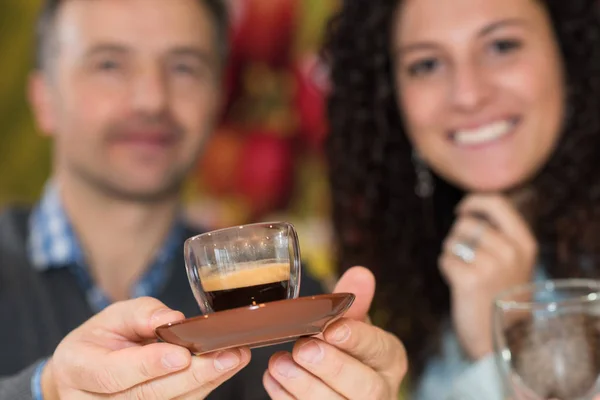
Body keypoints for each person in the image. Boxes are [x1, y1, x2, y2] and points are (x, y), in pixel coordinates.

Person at [0, 0, 407, 399]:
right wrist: (45, 391)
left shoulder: (289, 312)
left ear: (217, 99)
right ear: (43, 98)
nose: (151, 99)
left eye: (184, 67)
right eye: (109, 64)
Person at [325, 0, 600, 398]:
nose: (468, 94)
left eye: (502, 46)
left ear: (570, 54)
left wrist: (500, 339)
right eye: (427, 65)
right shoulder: (419, 265)